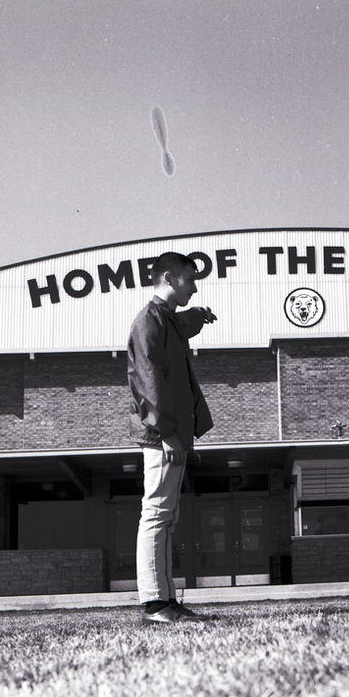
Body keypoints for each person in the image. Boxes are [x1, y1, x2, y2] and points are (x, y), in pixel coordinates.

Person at [127, 252, 217, 623]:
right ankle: (154, 604)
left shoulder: (167, 320)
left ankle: (165, 600)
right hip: (161, 436)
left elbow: (185, 323)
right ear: (169, 278)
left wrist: (201, 315)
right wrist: (167, 433)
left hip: (169, 434)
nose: (194, 287)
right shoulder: (149, 320)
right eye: (190, 279)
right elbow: (147, 379)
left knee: (166, 516)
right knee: (156, 514)